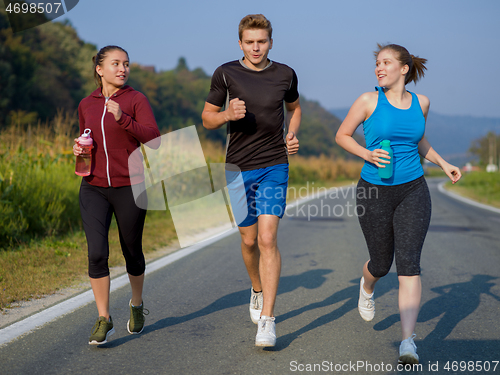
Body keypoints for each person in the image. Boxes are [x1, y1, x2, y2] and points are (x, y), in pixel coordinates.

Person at [335, 43, 461, 364]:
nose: (379, 68)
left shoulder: (422, 102)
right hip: (374, 190)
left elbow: (419, 141)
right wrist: (367, 153)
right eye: (377, 63)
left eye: (386, 62)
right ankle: (367, 286)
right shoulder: (368, 100)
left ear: (403, 68)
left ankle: (408, 342)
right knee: (381, 263)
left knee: (409, 265)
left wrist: (443, 163)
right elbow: (343, 135)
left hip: (413, 190)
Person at [201, 14, 301, 347]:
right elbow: (207, 118)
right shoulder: (226, 74)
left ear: (271, 42)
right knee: (248, 241)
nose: (256, 47)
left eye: (262, 41)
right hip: (237, 168)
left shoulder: (285, 74)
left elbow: (295, 108)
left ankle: (268, 322)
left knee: (268, 239)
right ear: (240, 43)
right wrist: (227, 114)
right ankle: (256, 289)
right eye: (249, 42)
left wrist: (292, 133)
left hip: (274, 164)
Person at [73, 45, 160, 345]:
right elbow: (88, 137)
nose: (122, 69)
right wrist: (79, 148)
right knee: (97, 253)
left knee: (131, 252)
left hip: (131, 186)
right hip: (93, 186)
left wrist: (123, 118)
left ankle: (136, 304)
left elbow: (154, 139)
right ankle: (103, 318)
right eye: (115, 63)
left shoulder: (136, 100)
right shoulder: (86, 104)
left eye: (126, 64)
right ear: (99, 69)